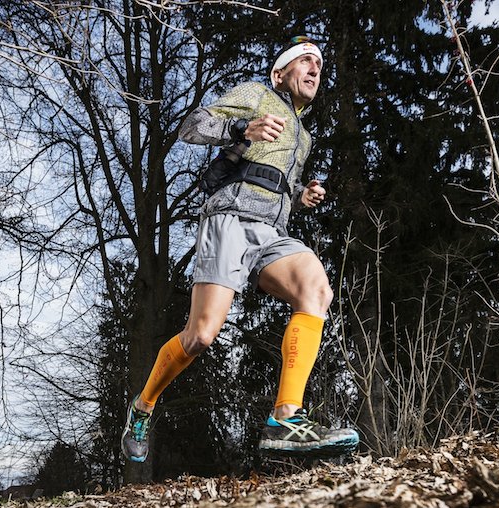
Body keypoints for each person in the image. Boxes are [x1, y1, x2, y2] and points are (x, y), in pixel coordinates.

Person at [121, 35, 359, 464]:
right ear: (279, 73)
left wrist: (301, 193)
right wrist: (239, 127)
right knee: (200, 336)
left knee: (316, 289)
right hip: (229, 218)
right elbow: (191, 126)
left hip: (272, 231)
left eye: (319, 66)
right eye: (304, 61)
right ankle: (143, 406)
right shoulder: (255, 94)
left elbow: (274, 177)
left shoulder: (303, 136)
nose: (314, 69)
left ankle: (285, 418)